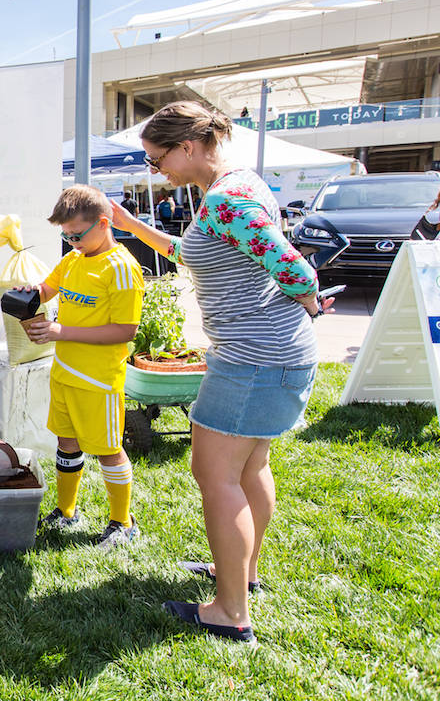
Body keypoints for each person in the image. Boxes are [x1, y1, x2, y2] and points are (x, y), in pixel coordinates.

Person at [110, 101, 327, 645]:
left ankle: (230, 612)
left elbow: (296, 267)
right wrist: (134, 226)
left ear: (187, 147)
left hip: (253, 360)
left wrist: (307, 300)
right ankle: (243, 574)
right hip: (272, 357)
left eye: (158, 160)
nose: (158, 172)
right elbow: (201, 253)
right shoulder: (238, 186)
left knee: (215, 477)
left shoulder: (226, 200)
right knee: (251, 467)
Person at [21, 185, 145, 550]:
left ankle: (122, 522)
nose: (72, 242)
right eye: (66, 235)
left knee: (108, 450)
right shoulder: (75, 259)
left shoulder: (121, 268)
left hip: (98, 380)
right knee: (67, 442)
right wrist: (30, 293)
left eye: (77, 234)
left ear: (104, 223)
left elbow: (125, 330)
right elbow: (48, 287)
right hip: (65, 373)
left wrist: (61, 331)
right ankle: (66, 511)